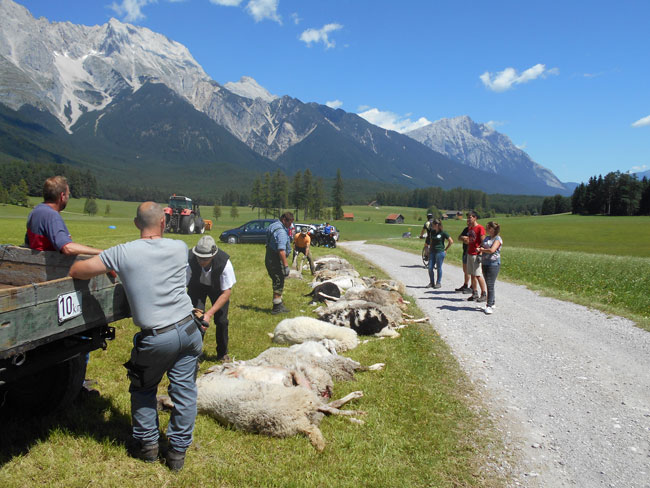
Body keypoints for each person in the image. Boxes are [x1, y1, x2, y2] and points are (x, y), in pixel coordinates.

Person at [69, 202, 202, 472]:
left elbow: (77, 271)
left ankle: (148, 446)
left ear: (135, 223)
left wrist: (113, 266)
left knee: (143, 388)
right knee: (185, 392)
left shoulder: (122, 253)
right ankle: (177, 453)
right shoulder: (179, 248)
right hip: (189, 330)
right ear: (164, 222)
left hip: (157, 337)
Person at [187, 235, 236, 362]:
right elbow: (182, 285)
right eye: (199, 257)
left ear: (213, 255)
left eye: (205, 259)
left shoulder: (224, 263)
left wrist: (208, 314)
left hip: (218, 290)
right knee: (195, 319)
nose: (201, 261)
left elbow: (226, 293)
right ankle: (195, 354)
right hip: (197, 286)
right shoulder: (189, 260)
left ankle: (222, 353)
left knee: (221, 320)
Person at [25, 175, 102, 255]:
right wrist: (103, 253)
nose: (68, 198)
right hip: (51, 265)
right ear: (62, 196)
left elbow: (28, 242)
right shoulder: (51, 216)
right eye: (68, 194)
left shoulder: (35, 211)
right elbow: (67, 247)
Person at [265, 211, 294, 314]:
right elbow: (281, 250)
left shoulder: (273, 225)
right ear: (284, 220)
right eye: (289, 223)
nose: (290, 225)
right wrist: (286, 265)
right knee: (279, 280)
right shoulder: (281, 232)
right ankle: (277, 307)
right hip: (275, 259)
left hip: (269, 256)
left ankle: (279, 301)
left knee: (276, 279)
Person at [478, 221, 503, 314]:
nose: (486, 229)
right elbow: (481, 245)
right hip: (485, 262)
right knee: (489, 283)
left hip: (493, 263)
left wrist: (482, 250)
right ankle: (492, 302)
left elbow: (492, 250)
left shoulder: (498, 239)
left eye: (488, 228)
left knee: (490, 284)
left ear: (492, 229)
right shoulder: (487, 238)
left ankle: (489, 306)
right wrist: (480, 249)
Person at [465, 211, 487, 302]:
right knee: (472, 275)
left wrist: (480, 254)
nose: (469, 219)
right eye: (468, 217)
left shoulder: (480, 228)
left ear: (475, 218)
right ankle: (475, 293)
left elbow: (483, 242)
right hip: (470, 253)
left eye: (470, 217)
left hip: (476, 254)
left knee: (478, 274)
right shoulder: (470, 228)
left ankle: (484, 293)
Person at [425, 219, 453, 288]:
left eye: (434, 224)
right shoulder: (432, 232)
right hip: (432, 252)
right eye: (432, 225)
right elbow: (431, 241)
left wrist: (445, 249)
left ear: (438, 225)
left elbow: (451, 241)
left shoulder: (443, 233)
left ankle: (438, 282)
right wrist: (429, 250)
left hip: (440, 252)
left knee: (439, 267)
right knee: (430, 267)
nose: (433, 226)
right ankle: (432, 282)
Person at [455, 224, 472, 294]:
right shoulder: (466, 229)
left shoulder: (475, 229)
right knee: (465, 270)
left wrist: (468, 240)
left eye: (469, 220)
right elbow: (459, 237)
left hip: (471, 252)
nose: (468, 222)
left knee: (472, 271)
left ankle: (472, 287)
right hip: (465, 251)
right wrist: (463, 238)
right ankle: (465, 285)